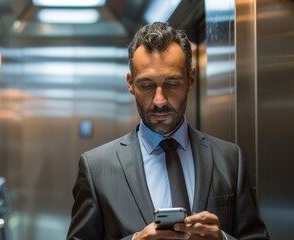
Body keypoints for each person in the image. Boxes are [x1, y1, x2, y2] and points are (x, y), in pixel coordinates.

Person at [67, 22, 269, 240]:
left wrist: (223, 238)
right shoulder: (96, 168)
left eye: (172, 84)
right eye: (147, 85)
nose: (159, 100)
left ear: (191, 79)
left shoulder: (230, 159)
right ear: (130, 83)